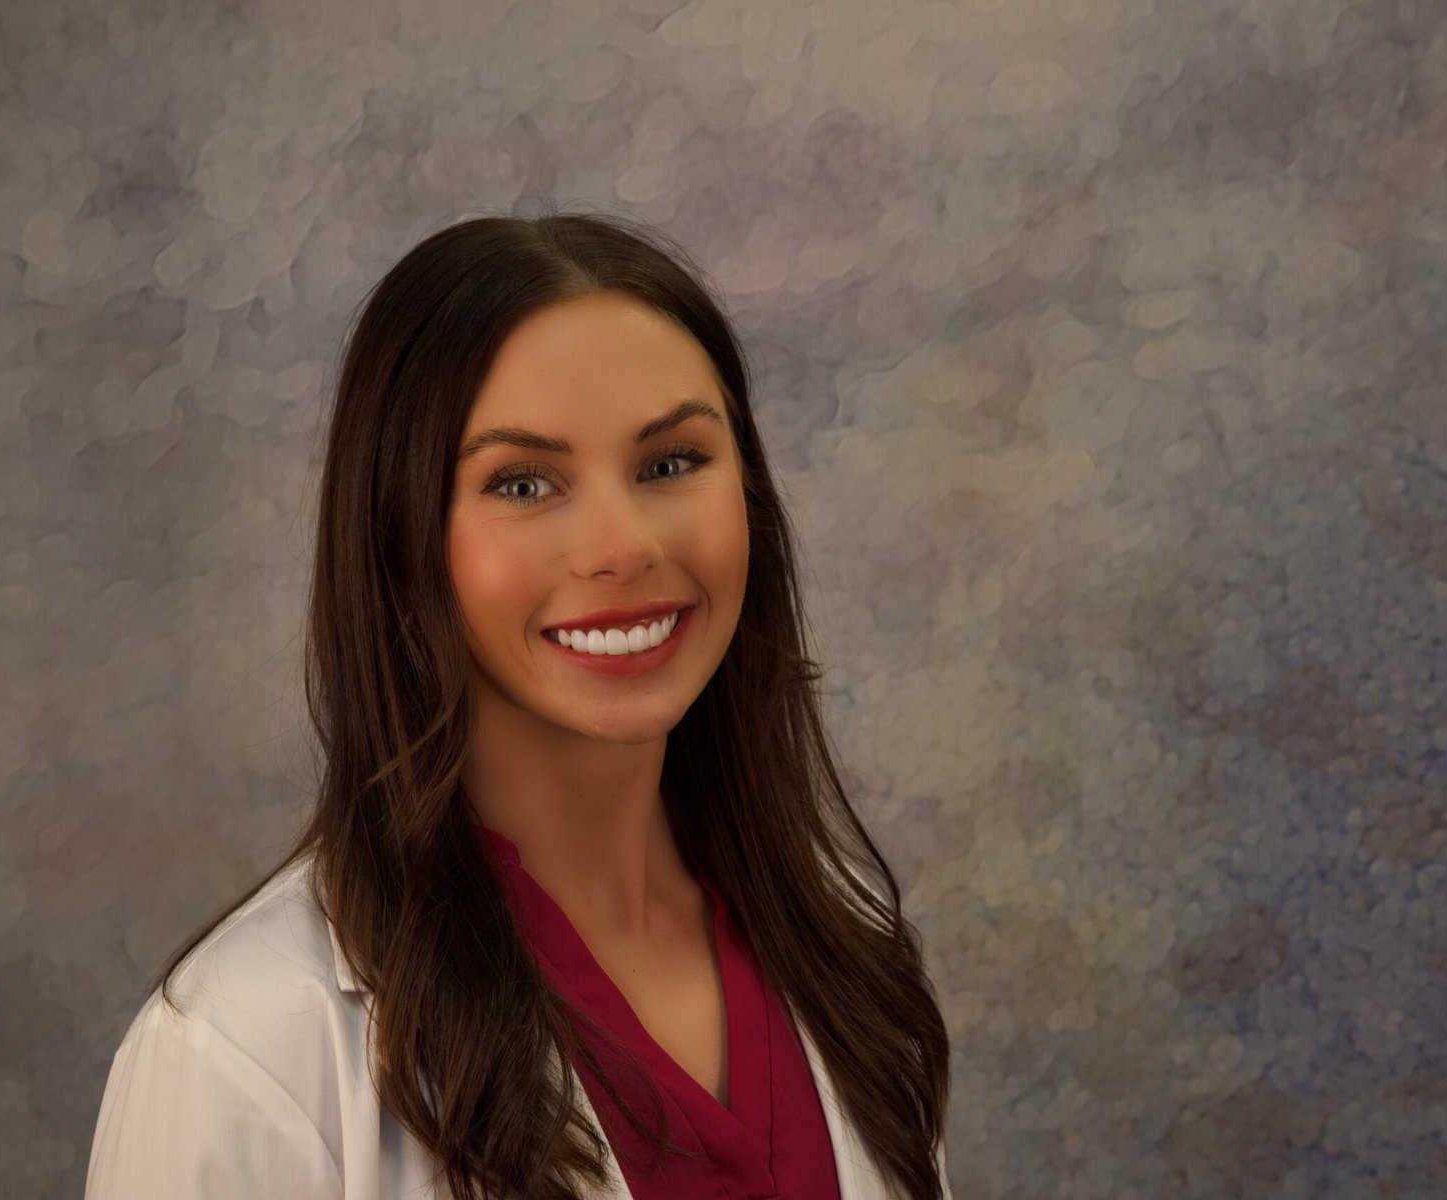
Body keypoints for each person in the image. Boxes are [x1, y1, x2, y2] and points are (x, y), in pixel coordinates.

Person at [84, 208, 951, 1199]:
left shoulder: (850, 941)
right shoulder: (247, 1049)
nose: (622, 547)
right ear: (402, 539)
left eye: (670, 463)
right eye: (525, 483)